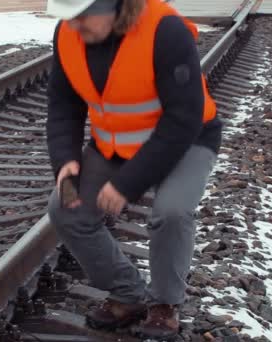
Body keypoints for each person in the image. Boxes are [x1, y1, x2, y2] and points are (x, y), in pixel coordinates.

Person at [45, 0, 222, 339]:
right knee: (65, 209)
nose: (74, 25)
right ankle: (128, 294)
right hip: (114, 146)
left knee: (172, 212)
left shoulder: (164, 30)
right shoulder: (68, 33)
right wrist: (65, 158)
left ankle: (165, 305)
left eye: (82, 16)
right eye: (68, 17)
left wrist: (127, 184)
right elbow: (63, 104)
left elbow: (182, 119)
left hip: (187, 140)